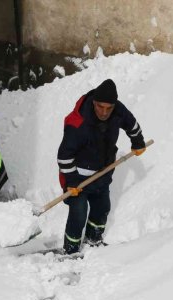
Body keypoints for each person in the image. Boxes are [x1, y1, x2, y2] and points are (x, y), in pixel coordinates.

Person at [57, 79, 146, 254]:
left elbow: (132, 124)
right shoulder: (78, 124)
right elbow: (64, 157)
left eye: (108, 108)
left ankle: (93, 239)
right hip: (79, 177)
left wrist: (138, 141)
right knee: (79, 213)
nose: (104, 112)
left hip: (103, 173)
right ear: (93, 103)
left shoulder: (118, 110)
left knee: (102, 208)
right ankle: (71, 250)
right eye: (100, 107)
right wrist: (72, 181)